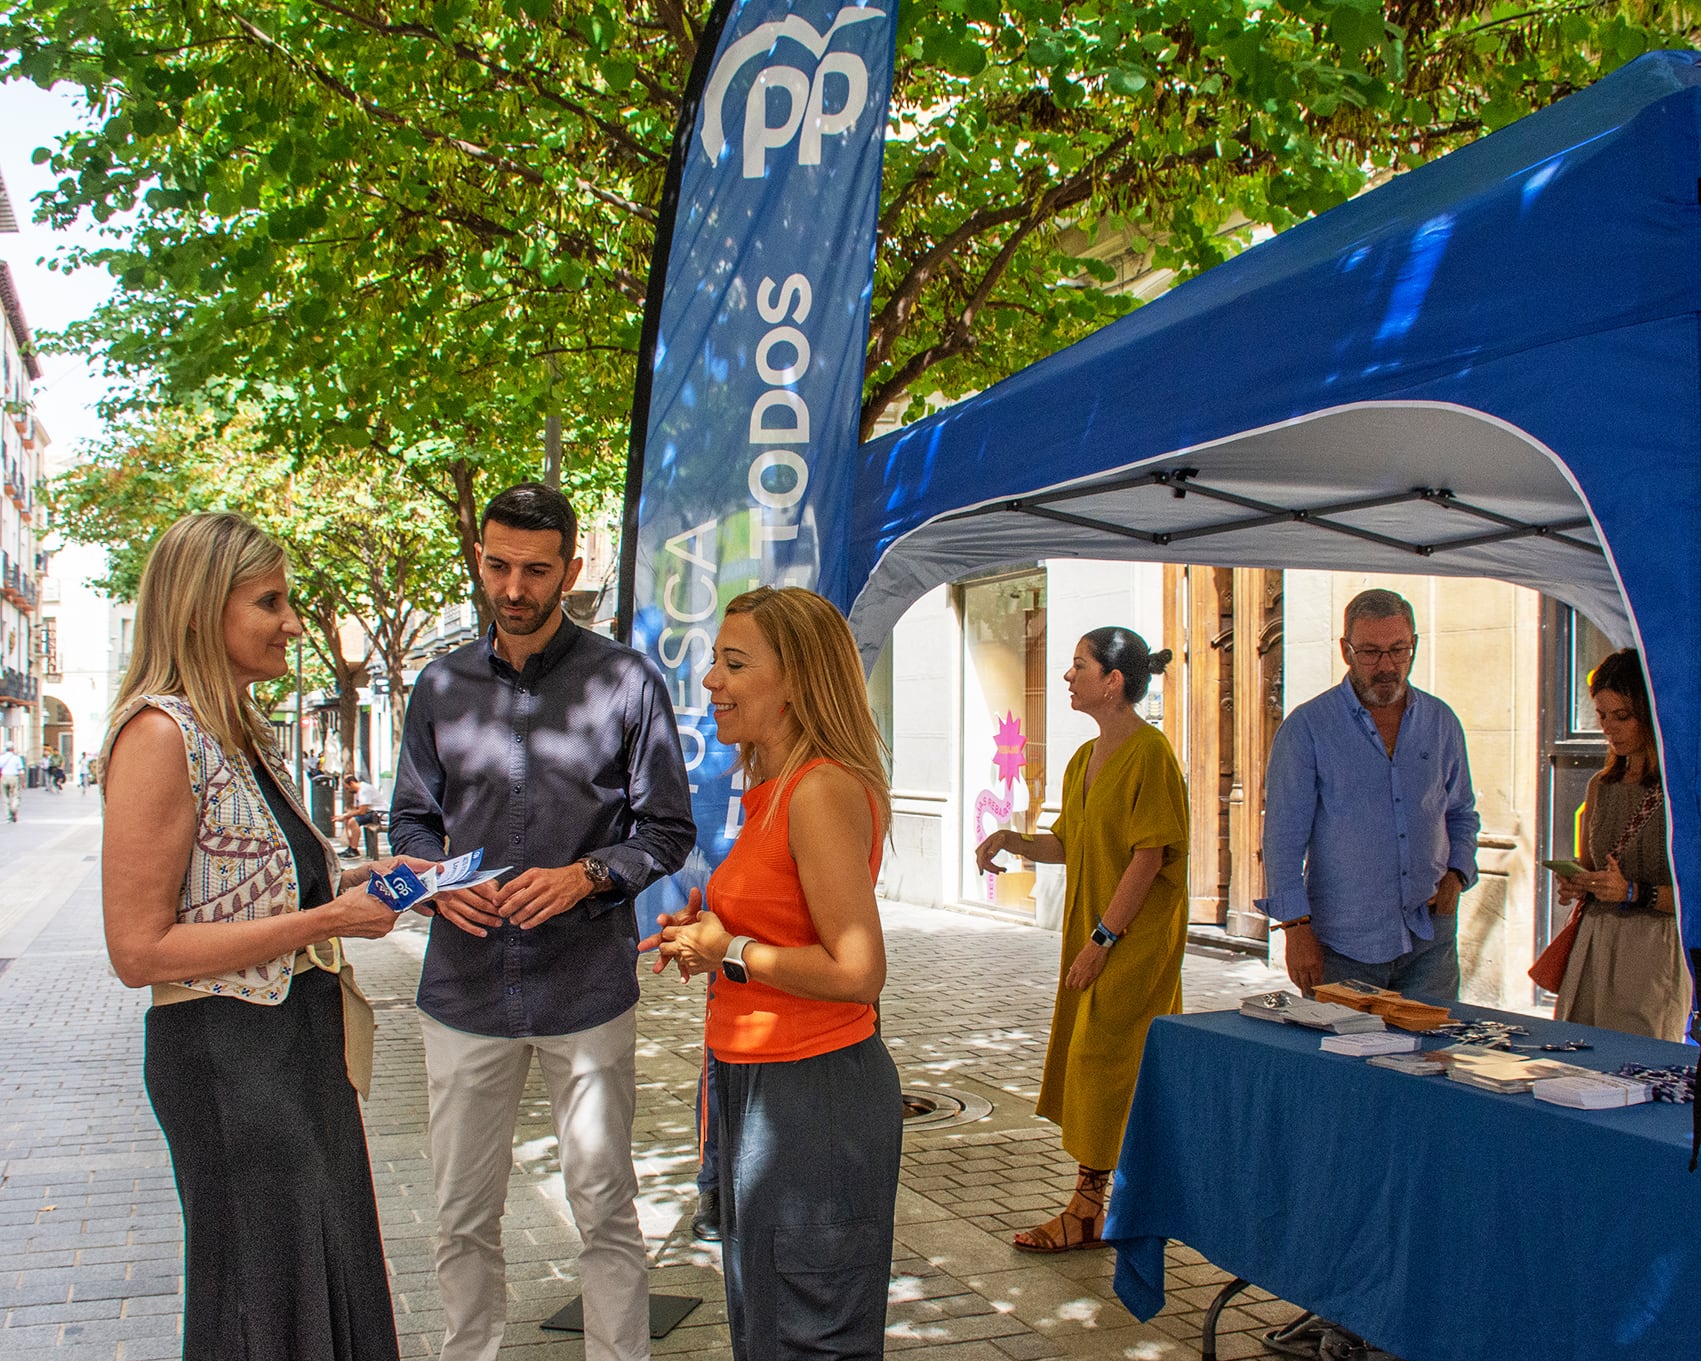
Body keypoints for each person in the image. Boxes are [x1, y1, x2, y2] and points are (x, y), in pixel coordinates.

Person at [98, 511, 432, 1361]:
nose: (292, 622)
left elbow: (249, 890)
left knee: (320, 1269)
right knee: (264, 1291)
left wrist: (358, 880)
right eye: (269, 601)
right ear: (205, 611)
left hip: (295, 1045)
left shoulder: (239, 732)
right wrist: (326, 921)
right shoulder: (159, 735)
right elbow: (139, 951)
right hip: (228, 1056)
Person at [388, 481, 694, 1361]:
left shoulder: (626, 681)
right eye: (497, 565)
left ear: (571, 567)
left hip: (585, 987)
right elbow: (409, 820)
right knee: (458, 1210)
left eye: (534, 569)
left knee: (603, 1201)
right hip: (464, 986)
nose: (513, 588)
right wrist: (434, 883)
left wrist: (588, 875)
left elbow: (667, 828)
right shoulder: (439, 684)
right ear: (478, 558)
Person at [646, 585, 901, 1361]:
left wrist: (726, 949)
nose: (709, 681)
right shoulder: (774, 791)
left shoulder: (819, 789)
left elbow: (858, 969)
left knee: (809, 1333)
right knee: (768, 1324)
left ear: (796, 680)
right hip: (758, 1087)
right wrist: (707, 937)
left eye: (732, 662)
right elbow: (776, 926)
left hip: (811, 1096)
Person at [975, 626, 1187, 1253]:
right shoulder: (1081, 759)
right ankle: (1120, 1200)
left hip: (1134, 942)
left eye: (1078, 666)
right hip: (1097, 935)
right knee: (1107, 1062)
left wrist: (1102, 939)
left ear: (1113, 682)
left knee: (1102, 1060)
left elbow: (1148, 858)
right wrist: (1011, 839)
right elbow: (1067, 843)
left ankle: (1089, 1209)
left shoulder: (1150, 754)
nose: (1067, 676)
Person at [1259, 588, 1480, 999]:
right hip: (1343, 945)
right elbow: (1283, 839)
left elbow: (1461, 812)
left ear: (1414, 644)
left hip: (1429, 937)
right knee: (1344, 1060)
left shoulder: (1441, 721)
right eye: (1371, 652)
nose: (1387, 666)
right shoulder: (1308, 727)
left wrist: (1457, 875)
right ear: (1346, 651)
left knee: (1431, 1057)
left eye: (1399, 650)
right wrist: (1295, 929)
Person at [1551, 649, 1691, 1040]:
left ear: (1649, 714)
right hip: (1594, 939)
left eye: (1623, 716)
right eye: (1602, 715)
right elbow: (1590, 863)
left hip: (1652, 947)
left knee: (1636, 1062)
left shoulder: (1680, 793)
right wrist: (1577, 882)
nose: (1609, 728)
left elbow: (1691, 897)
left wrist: (1634, 892)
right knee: (1576, 1055)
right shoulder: (1602, 785)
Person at [338, 770, 383, 857]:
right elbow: (356, 809)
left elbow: (362, 811)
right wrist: (345, 816)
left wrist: (345, 815)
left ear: (352, 783)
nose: (347, 791)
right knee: (348, 820)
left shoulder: (364, 790)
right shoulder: (356, 792)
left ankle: (354, 849)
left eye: (347, 788)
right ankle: (351, 847)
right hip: (370, 813)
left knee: (353, 821)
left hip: (378, 813)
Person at [0, 743, 22, 821]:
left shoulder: (1, 758)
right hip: (14, 777)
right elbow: (21, 770)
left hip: (4, 777)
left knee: (5, 796)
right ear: (13, 749)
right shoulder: (17, 758)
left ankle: (8, 816)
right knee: (16, 795)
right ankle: (14, 807)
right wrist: (23, 781)